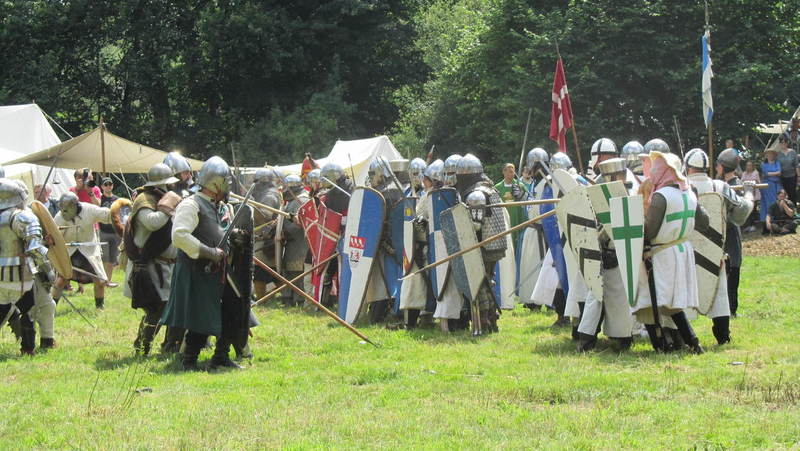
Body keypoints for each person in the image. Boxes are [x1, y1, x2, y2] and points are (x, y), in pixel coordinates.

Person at [161, 156, 248, 371]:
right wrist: (208, 252)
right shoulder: (191, 204)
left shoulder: (217, 206)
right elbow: (179, 236)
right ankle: (189, 359)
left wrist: (235, 238)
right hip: (197, 270)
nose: (229, 186)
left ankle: (221, 356)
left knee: (232, 307)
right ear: (216, 184)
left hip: (218, 271)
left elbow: (217, 232)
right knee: (200, 315)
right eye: (226, 182)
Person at [634, 149, 709, 354]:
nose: (653, 172)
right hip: (682, 249)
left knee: (648, 297)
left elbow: (650, 231)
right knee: (670, 302)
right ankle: (687, 342)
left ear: (663, 171)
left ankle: (665, 343)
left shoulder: (661, 196)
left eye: (656, 168)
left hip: (662, 253)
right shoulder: (689, 192)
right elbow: (704, 222)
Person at [685, 148, 752, 344]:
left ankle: (681, 335)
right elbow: (741, 213)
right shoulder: (720, 187)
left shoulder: (680, 187)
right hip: (713, 252)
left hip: (685, 251)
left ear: (687, 167)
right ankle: (722, 335)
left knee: (682, 293)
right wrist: (748, 195)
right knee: (719, 292)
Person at [123, 164, 182, 355]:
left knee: (172, 306)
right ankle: (142, 346)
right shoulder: (144, 199)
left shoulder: (162, 198)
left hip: (167, 265)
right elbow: (153, 223)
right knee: (156, 308)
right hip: (149, 264)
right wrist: (168, 205)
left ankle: (170, 346)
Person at [0, 178, 54, 355]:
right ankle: (27, 349)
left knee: (2, 309)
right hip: (21, 274)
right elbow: (35, 248)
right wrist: (48, 271)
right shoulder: (23, 216)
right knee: (28, 311)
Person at [455, 153, 507, 333]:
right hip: (494, 244)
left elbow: (475, 226)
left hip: (483, 244)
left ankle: (483, 322)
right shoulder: (490, 189)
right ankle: (492, 320)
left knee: (478, 284)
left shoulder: (476, 194)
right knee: (487, 281)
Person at [51, 192, 115, 309]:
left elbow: (108, 215)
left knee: (99, 279)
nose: (64, 211)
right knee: (61, 280)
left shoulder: (89, 210)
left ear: (75, 205)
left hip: (89, 251)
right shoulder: (60, 217)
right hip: (70, 251)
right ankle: (51, 308)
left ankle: (99, 307)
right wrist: (51, 240)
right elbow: (54, 235)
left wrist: (119, 213)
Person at [716, 148, 753, 318]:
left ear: (723, 167)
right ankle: (723, 308)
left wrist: (748, 191)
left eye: (718, 165)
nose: (717, 168)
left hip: (730, 232)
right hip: (720, 232)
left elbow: (740, 213)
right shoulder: (720, 184)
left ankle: (731, 309)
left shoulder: (735, 186)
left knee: (732, 268)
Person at [279, 175, 310, 306]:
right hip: (292, 242)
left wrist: (285, 230)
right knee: (289, 270)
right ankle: (288, 297)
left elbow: (302, 223)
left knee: (297, 270)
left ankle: (299, 298)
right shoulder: (294, 200)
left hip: (299, 241)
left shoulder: (301, 200)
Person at [494, 163, 527, 244]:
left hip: (518, 219)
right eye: (510, 172)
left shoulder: (520, 186)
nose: (512, 174)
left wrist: (521, 195)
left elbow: (529, 202)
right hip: (505, 220)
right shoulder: (497, 188)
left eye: (513, 171)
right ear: (504, 172)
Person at [99, 178, 121, 282]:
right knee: (104, 258)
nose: (108, 186)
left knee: (112, 259)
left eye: (110, 184)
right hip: (103, 232)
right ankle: (103, 279)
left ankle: (108, 280)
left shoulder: (117, 199)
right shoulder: (99, 199)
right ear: (102, 186)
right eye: (106, 184)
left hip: (115, 233)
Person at [760, 147, 782, 233]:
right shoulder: (763, 164)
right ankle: (766, 226)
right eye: (768, 154)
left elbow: (779, 172)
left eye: (771, 154)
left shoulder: (777, 163)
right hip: (767, 186)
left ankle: (775, 224)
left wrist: (770, 174)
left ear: (774, 155)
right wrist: (774, 173)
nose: (770, 155)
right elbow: (766, 173)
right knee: (767, 204)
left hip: (776, 185)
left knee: (776, 203)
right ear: (766, 155)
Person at [776, 136, 799, 203]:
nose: (783, 144)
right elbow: (776, 166)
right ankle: (784, 208)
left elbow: (796, 165)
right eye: (781, 142)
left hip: (792, 176)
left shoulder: (792, 152)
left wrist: (799, 176)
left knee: (792, 193)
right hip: (782, 177)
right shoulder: (777, 154)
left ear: (787, 143)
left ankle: (793, 207)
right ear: (779, 143)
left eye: (785, 142)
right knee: (784, 194)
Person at [740, 161, 761, 232]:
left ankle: (753, 225)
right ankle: (748, 225)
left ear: (752, 166)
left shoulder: (756, 173)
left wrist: (754, 182)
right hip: (746, 194)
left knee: (753, 209)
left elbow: (758, 182)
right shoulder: (744, 173)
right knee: (747, 209)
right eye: (747, 165)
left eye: (750, 165)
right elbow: (741, 182)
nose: (748, 167)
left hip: (754, 194)